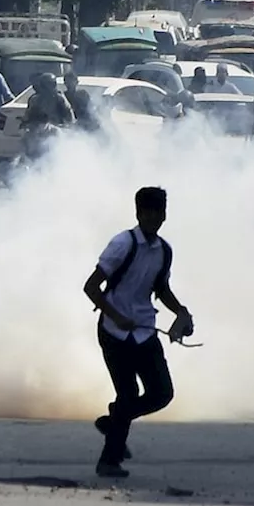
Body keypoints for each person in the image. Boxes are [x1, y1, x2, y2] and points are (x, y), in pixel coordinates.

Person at [82, 187, 193, 479]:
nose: (155, 218)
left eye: (160, 212)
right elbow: (91, 287)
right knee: (128, 393)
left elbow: (161, 289)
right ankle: (109, 461)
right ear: (138, 213)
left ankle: (115, 419)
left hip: (144, 331)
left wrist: (181, 312)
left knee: (162, 393)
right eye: (150, 212)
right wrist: (117, 316)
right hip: (113, 333)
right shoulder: (123, 244)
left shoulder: (163, 251)